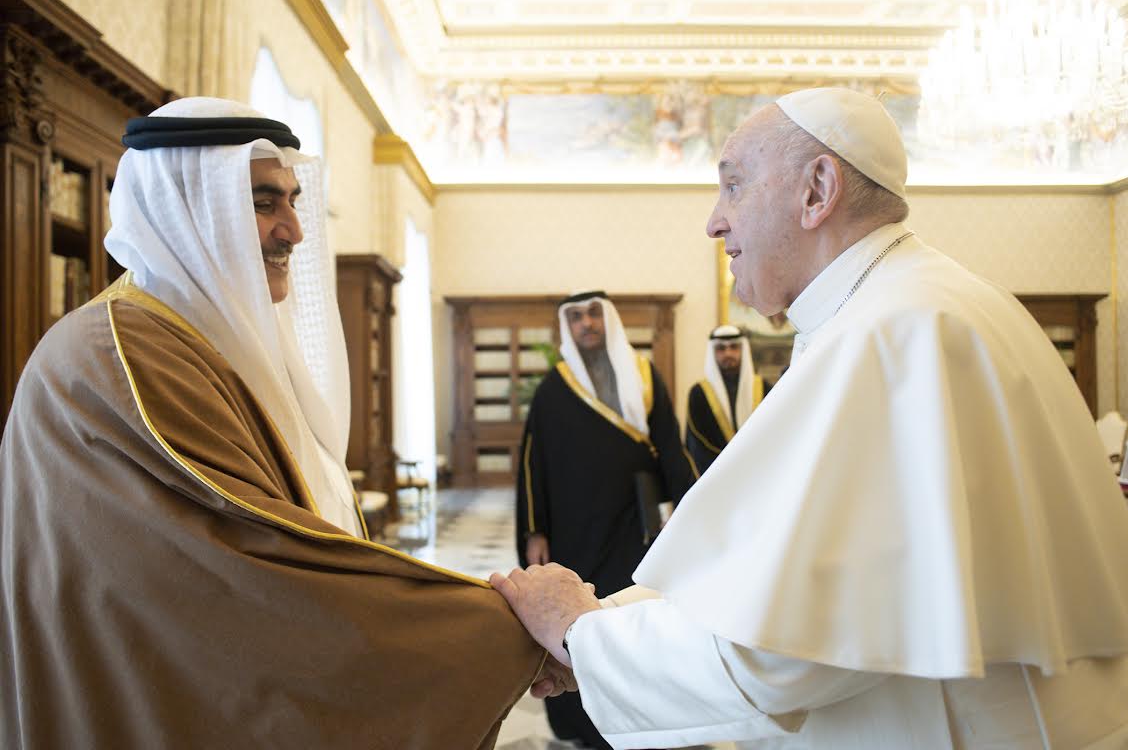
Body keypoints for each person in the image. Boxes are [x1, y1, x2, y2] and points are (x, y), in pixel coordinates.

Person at [492, 87, 1128, 748]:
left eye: (733, 186)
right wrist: (603, 625)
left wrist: (582, 635)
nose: (714, 223)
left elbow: (784, 649)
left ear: (816, 190)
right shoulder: (914, 304)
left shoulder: (889, 335)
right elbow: (767, 568)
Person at [0, 97, 568, 749]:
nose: (294, 231)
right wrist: (508, 629)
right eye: (263, 203)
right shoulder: (118, 354)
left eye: (294, 201)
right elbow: (254, 569)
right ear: (187, 207)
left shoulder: (201, 341)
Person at [516, 290, 696, 748]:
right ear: (567, 326)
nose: (586, 324)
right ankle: (584, 725)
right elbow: (533, 464)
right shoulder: (554, 389)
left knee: (635, 614)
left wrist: (689, 510)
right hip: (573, 528)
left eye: (594, 314)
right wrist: (535, 528)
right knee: (578, 617)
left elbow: (669, 448)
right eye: (576, 317)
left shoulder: (644, 375)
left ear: (608, 319)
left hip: (635, 524)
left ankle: (646, 717)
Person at [684, 325, 763, 473]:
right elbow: (698, 444)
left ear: (743, 350)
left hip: (758, 469)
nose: (728, 353)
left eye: (734, 347)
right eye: (721, 348)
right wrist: (729, 467)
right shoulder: (699, 394)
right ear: (713, 352)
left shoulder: (764, 389)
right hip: (717, 473)